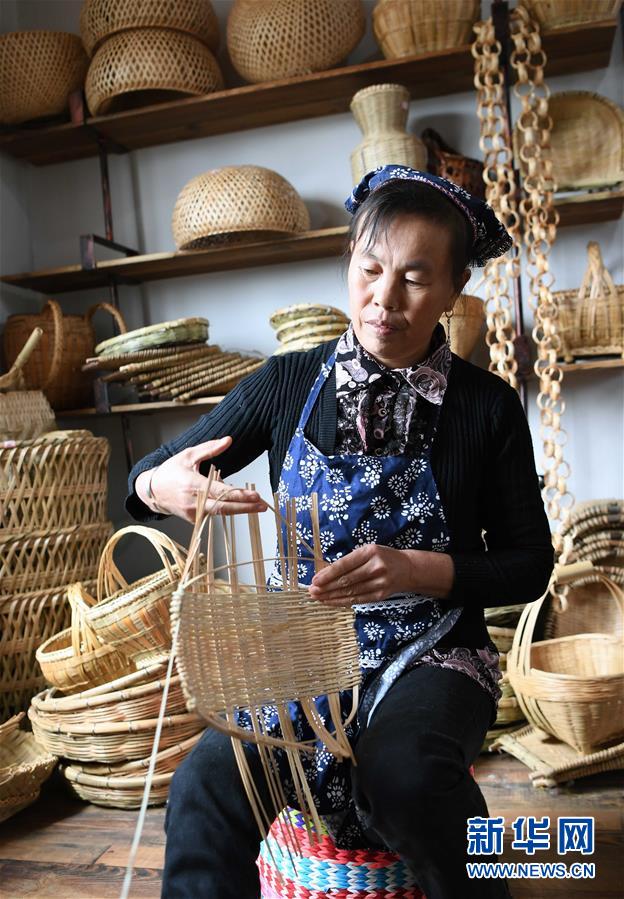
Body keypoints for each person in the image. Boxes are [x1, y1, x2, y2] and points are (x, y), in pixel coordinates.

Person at [126, 166, 554, 899]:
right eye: (371, 268)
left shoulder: (486, 407)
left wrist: (418, 570)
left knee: (406, 775)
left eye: (415, 278)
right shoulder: (287, 383)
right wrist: (160, 487)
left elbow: (530, 563)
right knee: (203, 786)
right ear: (349, 260)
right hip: (301, 650)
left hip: (434, 651)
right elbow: (148, 476)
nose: (385, 298)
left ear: (454, 289)